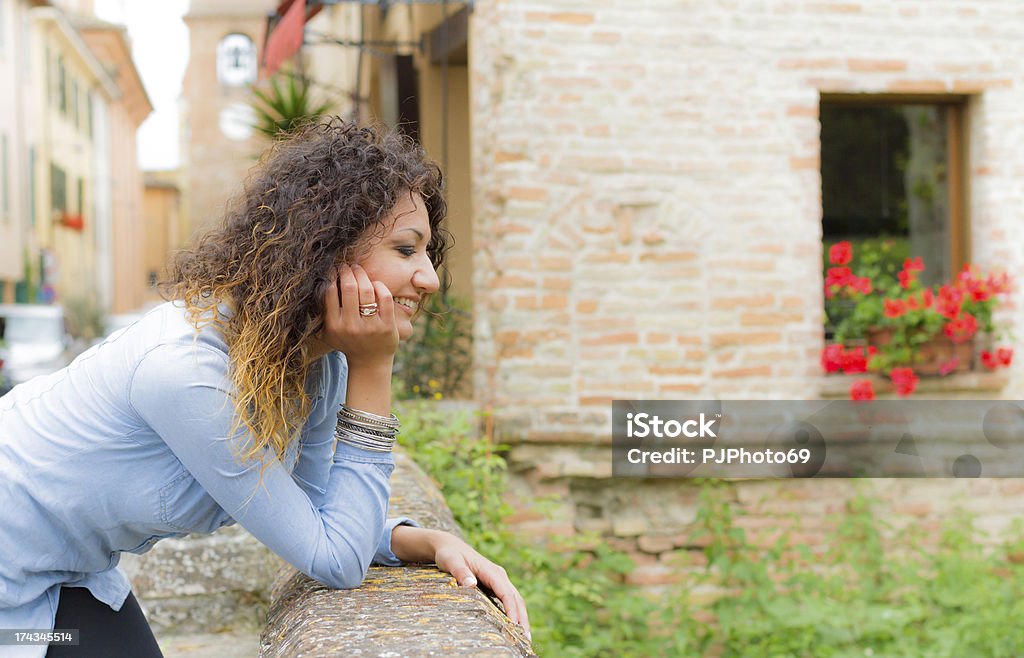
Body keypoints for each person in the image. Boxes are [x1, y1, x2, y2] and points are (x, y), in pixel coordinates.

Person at [0, 120, 529, 657]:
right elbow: (334, 559)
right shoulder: (186, 372)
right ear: (324, 250)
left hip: (63, 571)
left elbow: (324, 513)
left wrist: (427, 540)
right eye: (405, 249)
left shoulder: (311, 364)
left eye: (426, 252)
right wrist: (374, 368)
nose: (430, 278)